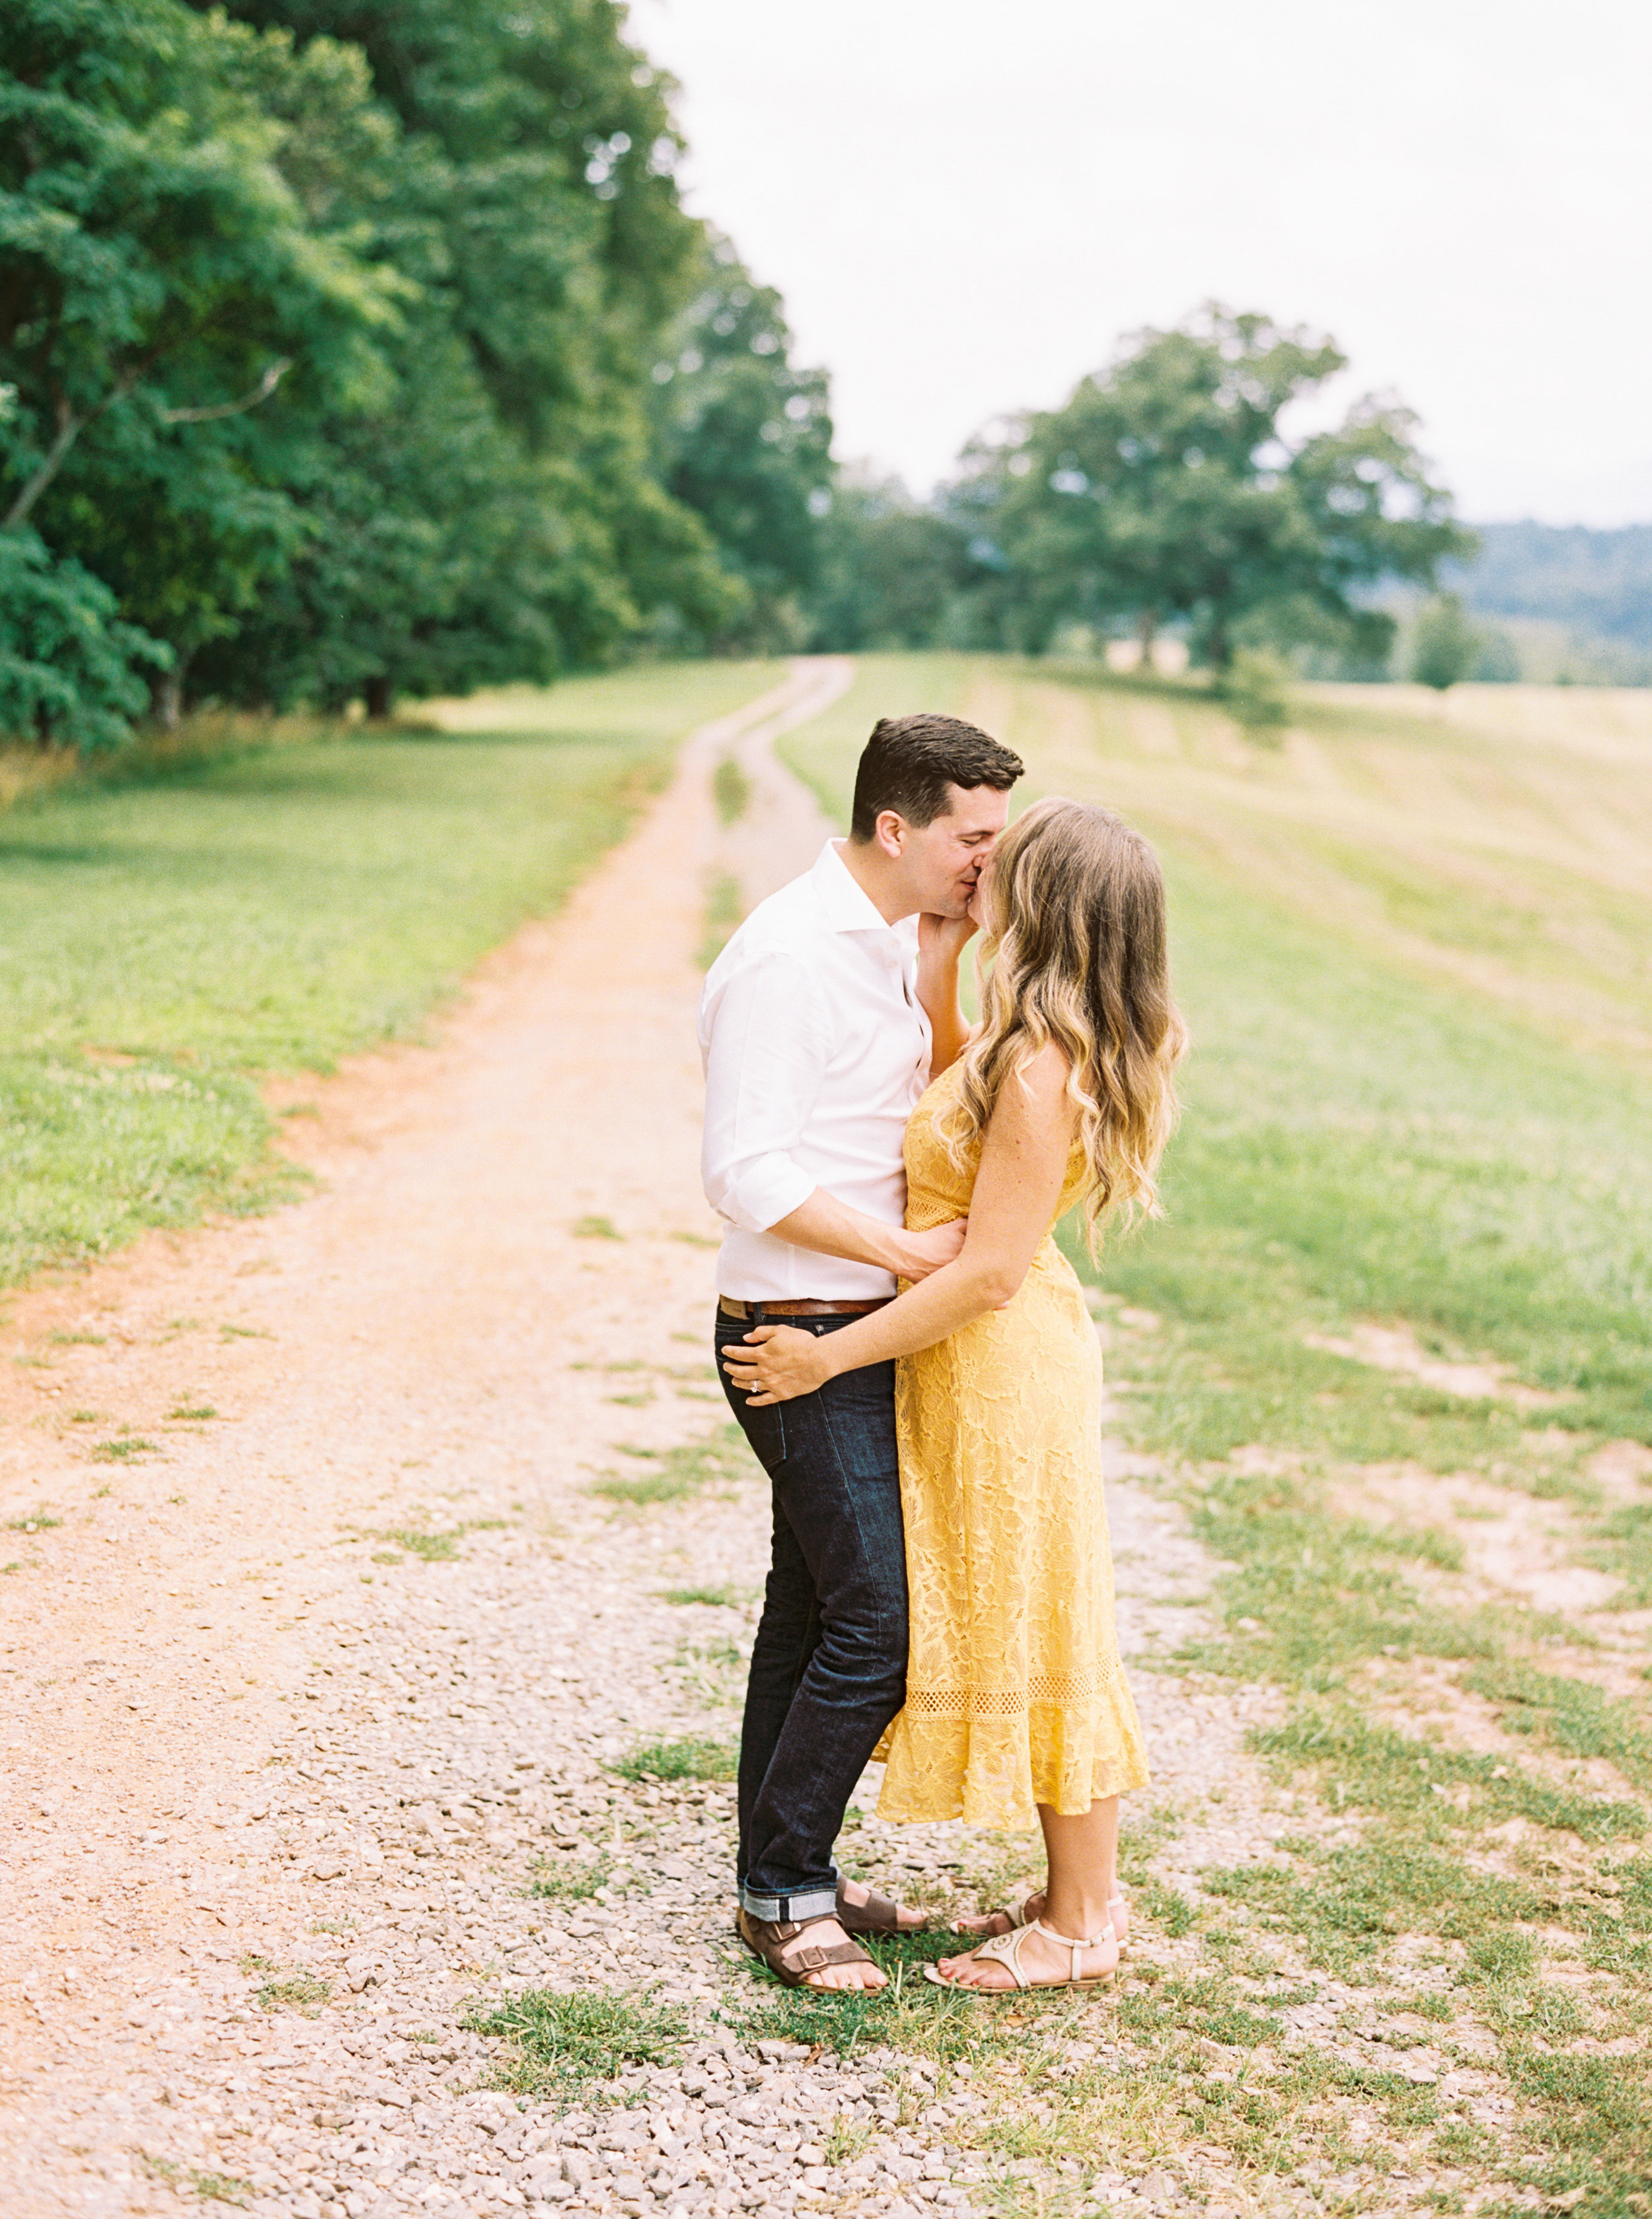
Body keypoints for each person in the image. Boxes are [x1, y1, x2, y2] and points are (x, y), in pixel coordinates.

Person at [722, 796, 1186, 1994]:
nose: (984, 871)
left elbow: (984, 1272)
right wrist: (942, 970)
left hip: (999, 1366)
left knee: (1045, 1622)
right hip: (975, 1366)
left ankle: (1083, 1922)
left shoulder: (1041, 1065)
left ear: (1054, 903)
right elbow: (948, 1111)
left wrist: (828, 1355)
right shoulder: (1022, 1040)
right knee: (1030, 1611)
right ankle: (1072, 1893)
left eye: (1007, 862)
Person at [700, 712, 1026, 1992]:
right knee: (875, 1624)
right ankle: (782, 1893)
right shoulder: (790, 953)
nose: (990, 863)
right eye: (973, 838)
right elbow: (743, 1168)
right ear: (896, 826)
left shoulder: (890, 936)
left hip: (852, 1318)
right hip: (799, 1328)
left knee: (811, 1606)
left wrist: (945, 953)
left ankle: (788, 1869)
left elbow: (913, 1103)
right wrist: (910, 1258)